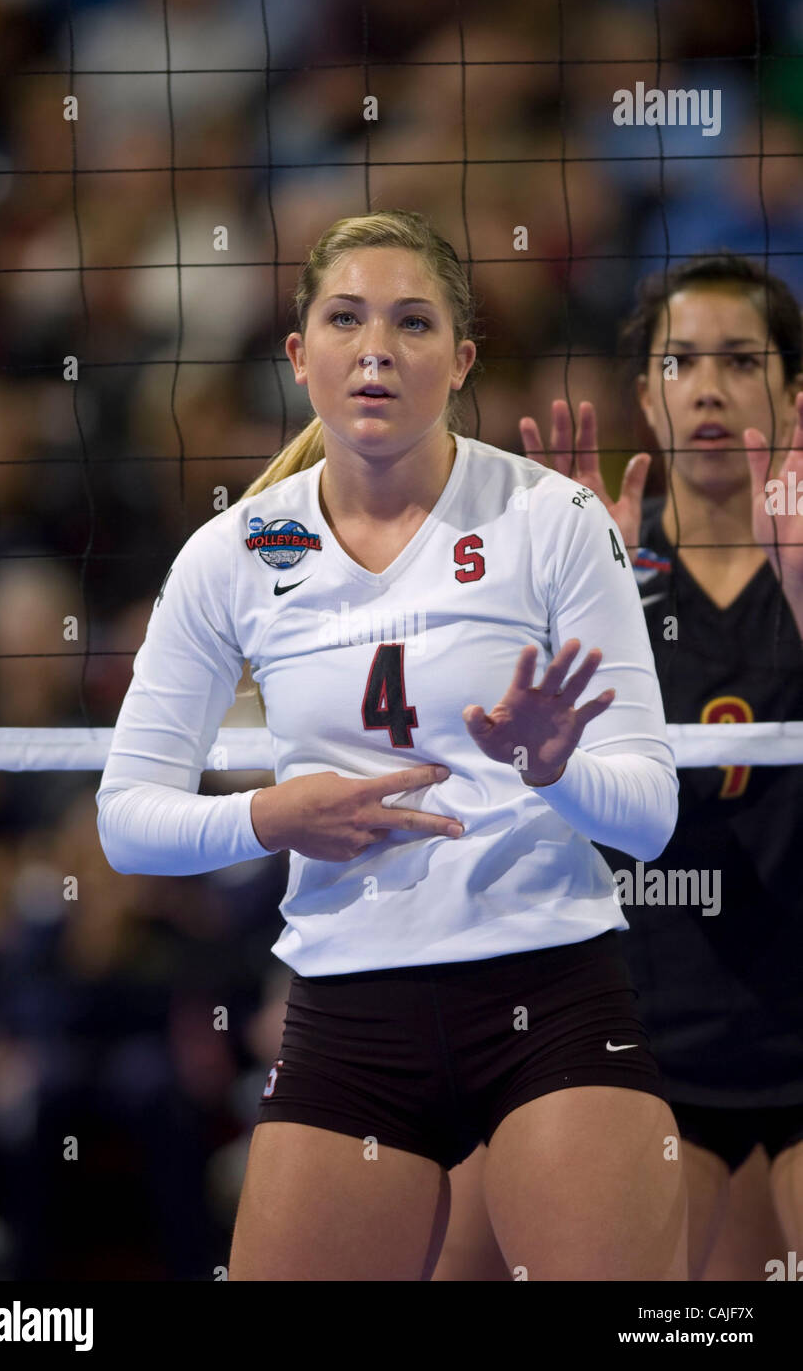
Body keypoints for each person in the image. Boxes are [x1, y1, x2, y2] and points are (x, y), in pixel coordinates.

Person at [96, 209, 687, 1281]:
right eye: (345, 318)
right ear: (299, 353)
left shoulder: (552, 518)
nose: (375, 348)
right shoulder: (232, 554)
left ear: (461, 359)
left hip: (549, 996)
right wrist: (276, 815)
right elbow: (126, 822)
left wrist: (550, 767)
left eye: (412, 322)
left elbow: (650, 817)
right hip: (349, 1013)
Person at [432, 252, 803, 1281]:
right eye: (683, 360)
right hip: (641, 1044)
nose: (713, 386)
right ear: (647, 393)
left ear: (794, 390)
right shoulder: (588, 563)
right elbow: (517, 794)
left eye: (743, 358)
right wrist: (575, 608)